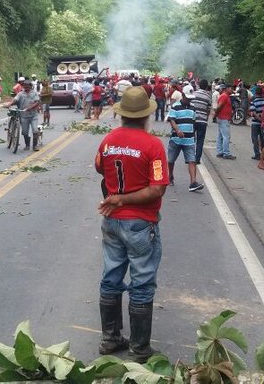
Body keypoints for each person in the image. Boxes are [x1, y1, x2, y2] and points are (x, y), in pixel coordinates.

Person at [95, 86, 168, 362]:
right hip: (140, 223)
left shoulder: (108, 141)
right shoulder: (153, 145)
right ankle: (139, 348)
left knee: (111, 276)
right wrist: (125, 199)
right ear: (146, 116)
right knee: (142, 282)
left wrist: (116, 197)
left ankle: (110, 338)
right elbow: (157, 189)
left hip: (112, 222)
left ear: (122, 114)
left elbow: (100, 167)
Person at [166, 90, 204, 192]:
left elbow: (193, 121)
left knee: (192, 160)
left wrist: (193, 135)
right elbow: (171, 120)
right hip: (176, 139)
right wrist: (177, 130)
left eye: (190, 99)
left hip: (189, 140)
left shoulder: (193, 108)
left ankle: (193, 183)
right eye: (188, 98)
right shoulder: (175, 106)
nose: (189, 100)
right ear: (183, 96)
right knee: (170, 160)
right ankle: (170, 176)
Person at [5, 81, 41, 151]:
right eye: (25, 86)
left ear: (31, 86)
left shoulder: (34, 93)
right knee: (24, 131)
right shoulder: (20, 94)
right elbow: (15, 99)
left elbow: (37, 102)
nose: (26, 87)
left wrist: (30, 107)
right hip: (24, 115)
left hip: (33, 115)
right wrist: (9, 104)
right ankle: (27, 145)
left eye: (28, 86)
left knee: (35, 130)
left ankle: (35, 146)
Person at [190, 79, 212, 165]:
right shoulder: (208, 96)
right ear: (206, 87)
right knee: (200, 140)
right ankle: (197, 159)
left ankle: (190, 157)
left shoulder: (194, 94)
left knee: (191, 139)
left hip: (193, 119)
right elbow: (208, 110)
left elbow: (190, 106)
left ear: (198, 85)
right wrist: (205, 119)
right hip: (202, 121)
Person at [215, 84, 236, 160]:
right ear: (226, 88)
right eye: (231, 88)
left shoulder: (225, 96)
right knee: (226, 136)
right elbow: (219, 106)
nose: (232, 90)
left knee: (221, 136)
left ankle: (220, 151)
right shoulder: (224, 96)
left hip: (222, 118)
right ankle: (226, 153)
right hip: (223, 118)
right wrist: (216, 114)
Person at [249, 86, 264, 161]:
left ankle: (257, 154)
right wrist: (262, 120)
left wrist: (259, 119)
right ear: (262, 93)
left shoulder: (254, 102)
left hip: (255, 123)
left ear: (255, 93)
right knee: (262, 139)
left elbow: (253, 113)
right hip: (263, 124)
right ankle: (263, 154)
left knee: (255, 139)